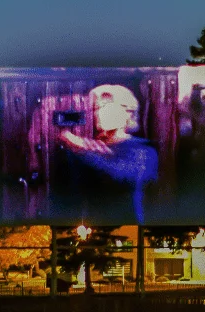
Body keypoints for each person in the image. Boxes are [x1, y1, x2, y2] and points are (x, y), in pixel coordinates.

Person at [57, 85, 158, 223]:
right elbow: (73, 192)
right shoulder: (91, 147)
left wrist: (81, 149)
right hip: (90, 227)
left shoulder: (144, 149)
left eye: (106, 106)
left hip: (127, 227)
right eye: (96, 108)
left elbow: (123, 178)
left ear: (127, 112)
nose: (98, 113)